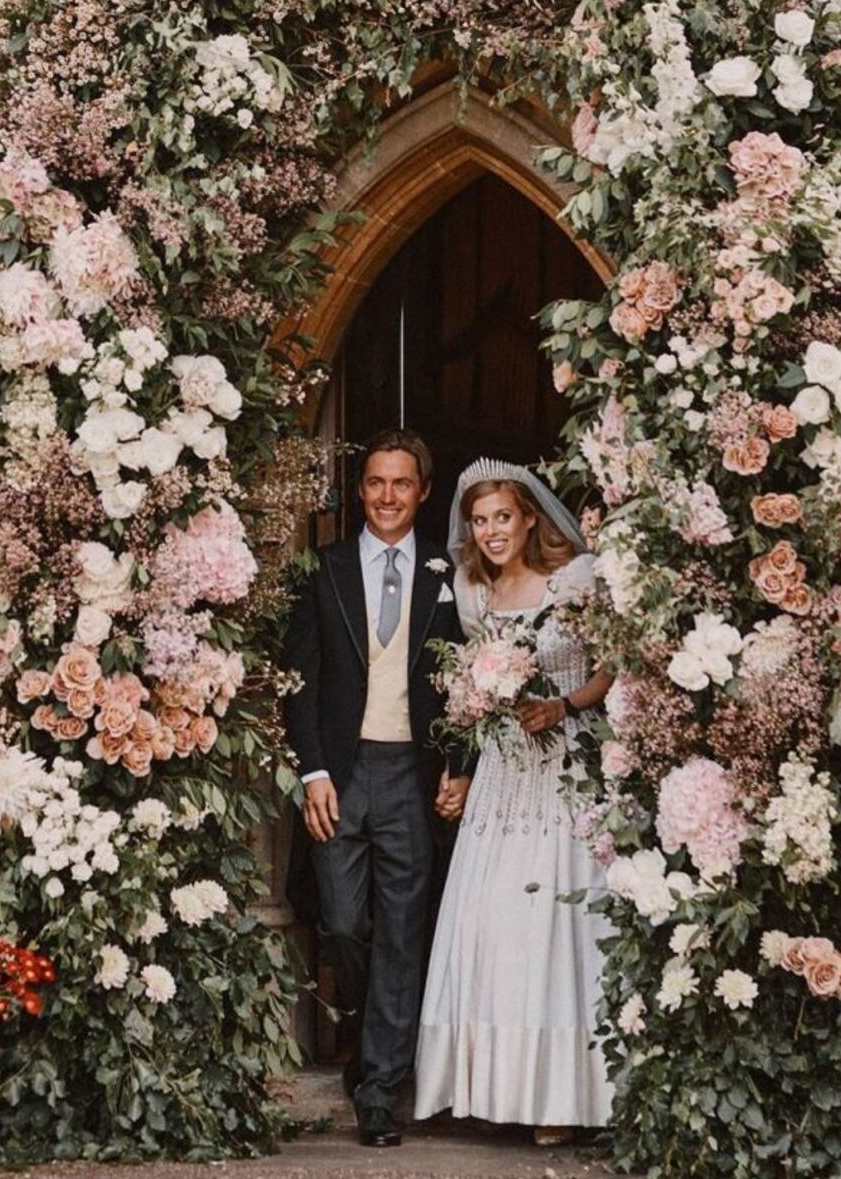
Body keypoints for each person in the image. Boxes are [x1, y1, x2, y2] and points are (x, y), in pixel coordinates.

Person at [413, 458, 615, 1143]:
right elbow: (472, 698)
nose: (492, 531)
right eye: (479, 520)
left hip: (565, 765)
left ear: (531, 517)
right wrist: (462, 767)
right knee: (495, 922)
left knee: (558, 927)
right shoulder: (473, 591)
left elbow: (611, 665)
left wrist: (562, 703)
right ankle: (490, 1086)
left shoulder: (576, 579)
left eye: (503, 516)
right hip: (503, 773)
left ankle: (562, 1097)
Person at [282, 428, 471, 1149]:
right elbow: (299, 681)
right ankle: (368, 1040)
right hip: (341, 768)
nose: (387, 496)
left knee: (401, 931)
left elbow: (465, 685)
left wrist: (457, 763)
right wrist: (313, 770)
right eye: (375, 483)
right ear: (359, 490)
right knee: (341, 922)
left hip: (409, 776)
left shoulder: (445, 575)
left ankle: (380, 1089)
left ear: (423, 491)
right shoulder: (323, 569)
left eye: (401, 483)